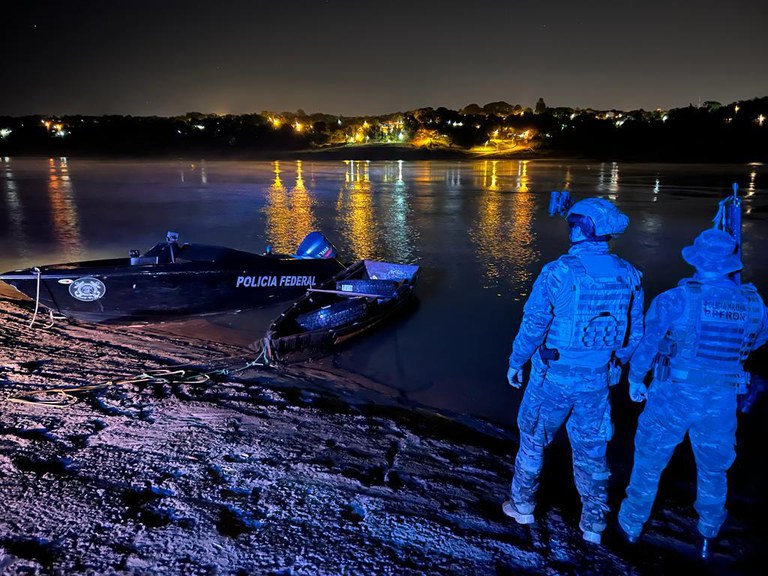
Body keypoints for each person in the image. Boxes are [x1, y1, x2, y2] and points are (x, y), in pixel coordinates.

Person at [617, 228, 768, 558]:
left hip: (672, 396)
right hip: (722, 400)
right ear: (729, 263)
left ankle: (631, 527)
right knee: (714, 469)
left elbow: (647, 345)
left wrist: (635, 380)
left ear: (697, 260)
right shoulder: (754, 304)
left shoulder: (675, 299)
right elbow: (756, 342)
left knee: (649, 462)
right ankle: (707, 535)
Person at [503, 198, 644, 545]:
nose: (570, 228)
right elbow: (634, 333)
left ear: (583, 228)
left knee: (534, 439)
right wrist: (612, 361)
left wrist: (516, 359)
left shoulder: (559, 271)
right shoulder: (630, 275)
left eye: (573, 223)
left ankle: (522, 506)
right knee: (593, 452)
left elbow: (535, 323)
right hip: (597, 381)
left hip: (553, 377)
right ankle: (593, 524)